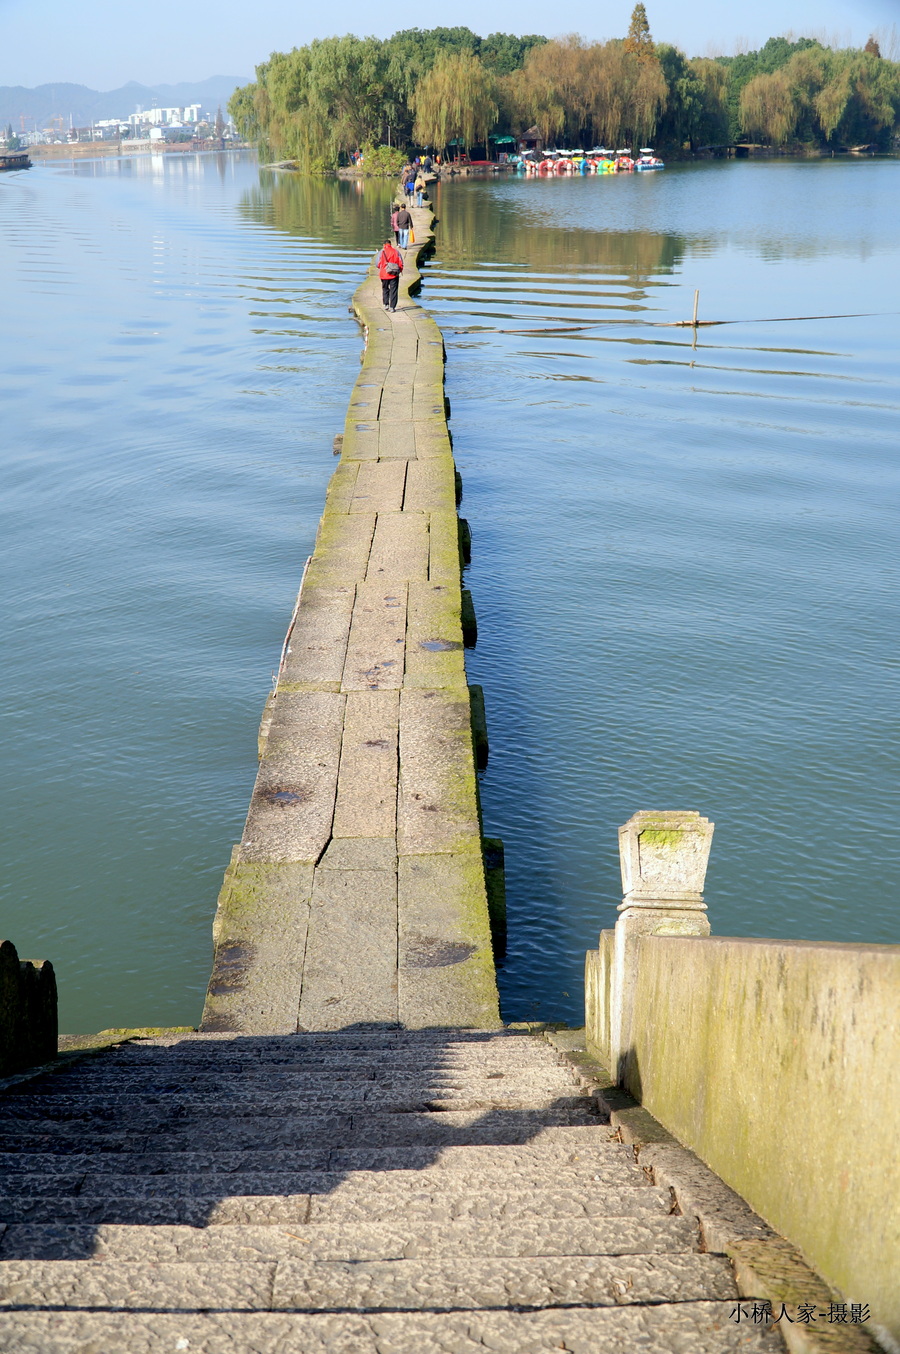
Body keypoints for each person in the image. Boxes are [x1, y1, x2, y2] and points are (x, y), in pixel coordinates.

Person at [376, 237, 403, 312]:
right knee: (393, 290)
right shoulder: (396, 252)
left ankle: (386, 304)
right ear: (390, 244)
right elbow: (401, 263)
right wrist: (399, 271)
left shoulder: (381, 252)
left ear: (384, 245)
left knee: (385, 289)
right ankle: (392, 307)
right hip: (394, 274)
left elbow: (377, 264)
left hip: (384, 274)